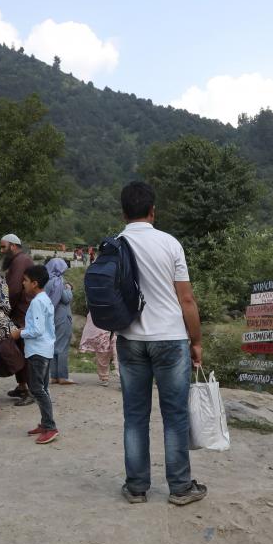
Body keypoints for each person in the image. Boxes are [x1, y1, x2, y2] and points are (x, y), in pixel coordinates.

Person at [115, 181, 207, 506]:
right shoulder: (170, 244)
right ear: (153, 211)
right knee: (175, 415)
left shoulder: (115, 245)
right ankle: (180, 488)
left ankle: (137, 487)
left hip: (129, 340)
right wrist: (196, 341)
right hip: (170, 338)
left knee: (135, 416)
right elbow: (187, 300)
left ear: (123, 212)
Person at [11, 265, 59, 444]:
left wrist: (19, 333)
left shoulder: (37, 302)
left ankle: (51, 427)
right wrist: (24, 329)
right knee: (42, 388)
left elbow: (37, 330)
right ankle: (45, 424)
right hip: (44, 349)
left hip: (38, 351)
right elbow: (42, 327)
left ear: (34, 283)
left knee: (38, 389)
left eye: (25, 280)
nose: (23, 283)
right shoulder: (44, 299)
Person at [1, 233, 35, 406]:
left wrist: (4, 308)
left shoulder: (21, 261)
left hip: (22, 312)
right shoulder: (19, 261)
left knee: (24, 350)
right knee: (19, 349)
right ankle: (22, 386)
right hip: (19, 312)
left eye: (3, 247)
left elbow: (13, 290)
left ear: (13, 246)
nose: (2, 251)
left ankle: (31, 391)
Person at [44, 258, 74, 384]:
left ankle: (54, 376)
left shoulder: (47, 281)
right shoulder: (58, 281)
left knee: (54, 346)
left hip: (52, 317)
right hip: (62, 318)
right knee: (62, 347)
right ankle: (63, 377)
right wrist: (69, 289)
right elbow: (66, 299)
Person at [79, 312, 119, 387]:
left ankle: (122, 378)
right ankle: (104, 377)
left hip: (117, 322)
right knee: (102, 352)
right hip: (101, 324)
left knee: (119, 352)